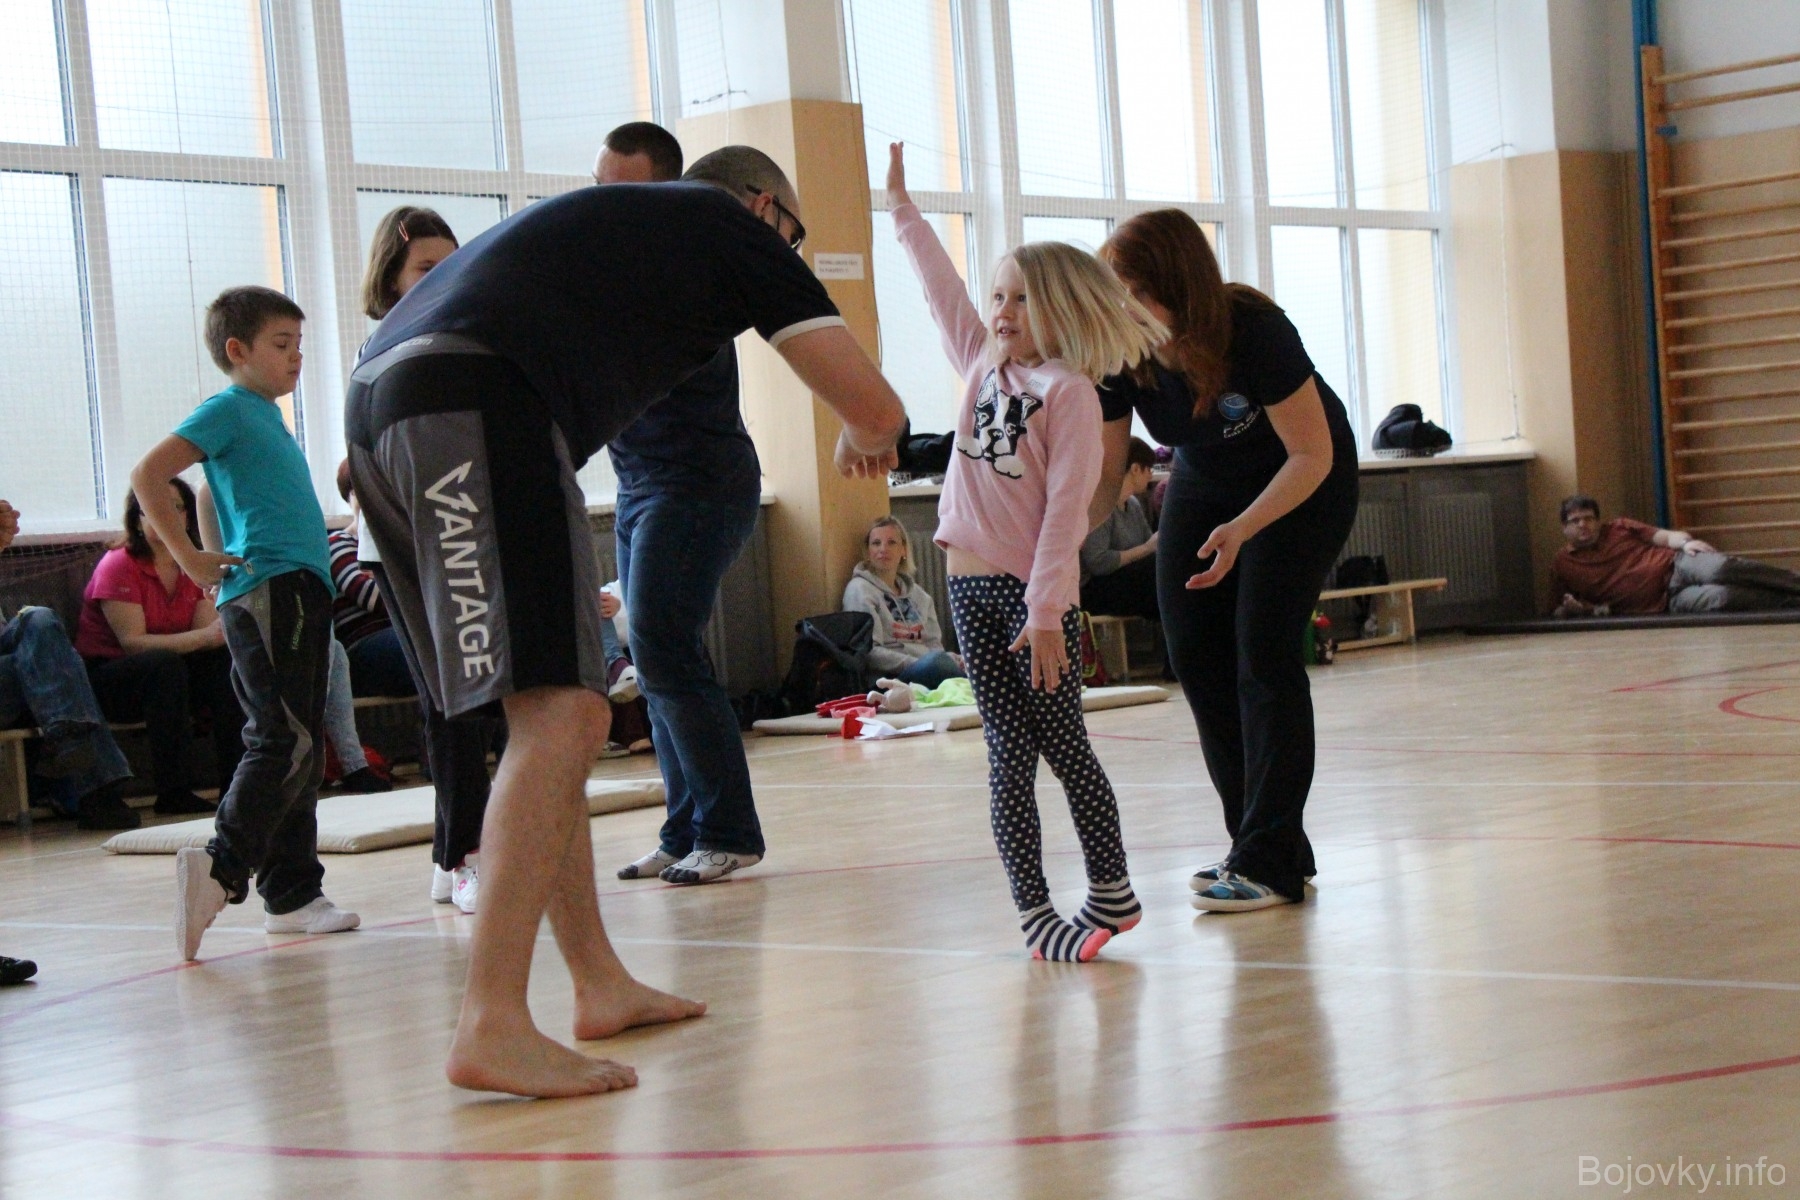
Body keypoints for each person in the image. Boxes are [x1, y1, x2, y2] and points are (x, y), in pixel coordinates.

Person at [347, 143, 905, 1097]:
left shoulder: (625, 234)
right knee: (567, 714)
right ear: (765, 206)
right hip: (471, 400)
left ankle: (597, 980)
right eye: (794, 233)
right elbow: (875, 406)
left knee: (550, 713)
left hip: (381, 409)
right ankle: (492, 1019)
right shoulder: (727, 225)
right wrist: (865, 434)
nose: (790, 251)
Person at [889, 142, 1159, 962]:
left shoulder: (1067, 393)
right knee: (1006, 756)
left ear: (1062, 310)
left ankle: (1111, 888)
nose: (1002, 311)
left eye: (1021, 298)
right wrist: (903, 212)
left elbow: (1065, 513)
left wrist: (1046, 612)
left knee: (1064, 744)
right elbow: (941, 292)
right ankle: (1034, 912)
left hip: (1031, 599)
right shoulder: (982, 365)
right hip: (968, 592)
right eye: (999, 296)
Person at [1095, 208, 1360, 914]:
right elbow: (1103, 476)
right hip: (1206, 476)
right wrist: (1056, 551)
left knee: (1262, 653)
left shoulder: (1254, 329)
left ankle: (1267, 861)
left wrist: (1243, 529)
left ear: (1177, 288)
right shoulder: (1118, 352)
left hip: (1302, 476)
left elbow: (1311, 453)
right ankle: (1262, 843)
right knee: (1194, 653)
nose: (1119, 308)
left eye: (1133, 293)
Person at [132, 285, 360, 961]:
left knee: (300, 741)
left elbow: (210, 492)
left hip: (295, 589)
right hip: (274, 591)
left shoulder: (261, 417)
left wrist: (213, 557)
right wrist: (193, 559)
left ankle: (292, 895)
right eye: (281, 345)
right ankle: (221, 864)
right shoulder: (229, 408)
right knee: (283, 738)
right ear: (237, 350)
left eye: (300, 345)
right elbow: (149, 474)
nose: (296, 358)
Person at [590, 123, 774, 888]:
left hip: (699, 483)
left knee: (665, 646)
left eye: (626, 193)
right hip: (639, 488)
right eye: (601, 191)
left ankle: (729, 831)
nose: (609, 209)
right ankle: (684, 830)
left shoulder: (688, 272)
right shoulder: (603, 269)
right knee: (652, 656)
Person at [357, 211, 502, 915]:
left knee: (468, 702)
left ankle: (454, 854)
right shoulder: (384, 349)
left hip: (459, 535)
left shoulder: (460, 337)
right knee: (453, 701)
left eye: (450, 262)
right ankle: (464, 854)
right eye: (423, 267)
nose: (441, 277)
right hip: (402, 545)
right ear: (391, 279)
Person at [74, 478, 245, 816]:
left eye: (176, 507)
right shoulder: (118, 564)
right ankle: (173, 791)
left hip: (172, 670)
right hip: (108, 678)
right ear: (136, 518)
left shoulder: (193, 563)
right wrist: (205, 637)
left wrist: (210, 637)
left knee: (225, 663)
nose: (164, 514)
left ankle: (238, 787)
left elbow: (207, 635)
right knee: (163, 666)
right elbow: (133, 643)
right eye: (152, 506)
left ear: (188, 516)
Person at [0, 500, 137, 837]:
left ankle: (70, 743)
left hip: (18, 672)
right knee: (49, 656)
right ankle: (96, 785)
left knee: (39, 620)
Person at [1550, 494, 1800, 616]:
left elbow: (1666, 537)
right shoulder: (1563, 563)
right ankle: (1792, 602)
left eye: (1588, 519)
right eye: (1575, 521)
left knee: (1719, 568)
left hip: (1677, 564)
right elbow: (1556, 610)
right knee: (1722, 597)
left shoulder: (1620, 527)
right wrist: (1577, 609)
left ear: (1598, 521)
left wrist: (1685, 543)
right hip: (1667, 602)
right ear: (1564, 528)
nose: (1583, 525)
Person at [841, 516, 964, 689]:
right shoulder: (860, 590)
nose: (883, 549)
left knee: (966, 661)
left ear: (903, 550)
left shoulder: (920, 596)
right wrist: (920, 662)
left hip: (926, 666)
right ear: (868, 551)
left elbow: (934, 645)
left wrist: (950, 659)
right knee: (939, 665)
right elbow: (868, 652)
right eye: (876, 543)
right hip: (890, 678)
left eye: (891, 542)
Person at [1079, 435, 1161, 623]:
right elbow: (1097, 562)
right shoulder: (1100, 505)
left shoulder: (1133, 504)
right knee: (1157, 576)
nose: (1150, 475)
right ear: (1135, 468)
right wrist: (1146, 548)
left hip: (1123, 580)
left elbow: (1149, 546)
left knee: (1164, 567)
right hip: (1095, 588)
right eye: (1148, 469)